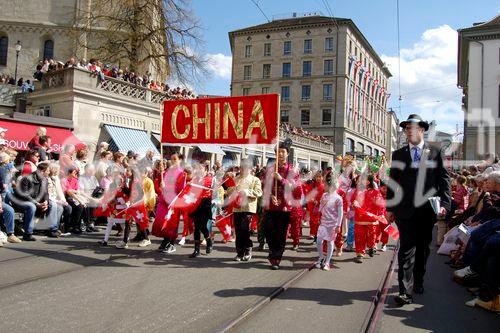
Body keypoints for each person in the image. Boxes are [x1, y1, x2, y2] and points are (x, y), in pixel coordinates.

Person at [387, 114, 451, 305]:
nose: (409, 131)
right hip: (404, 210)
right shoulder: (398, 154)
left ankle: (419, 280)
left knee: (423, 248)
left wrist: (445, 205)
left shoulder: (436, 151)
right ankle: (404, 292)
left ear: (422, 130)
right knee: (406, 249)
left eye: (413, 128)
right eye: (406, 128)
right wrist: (390, 207)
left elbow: (444, 179)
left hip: (427, 210)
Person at [261, 140, 299, 270]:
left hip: (285, 206)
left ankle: (276, 258)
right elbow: (264, 186)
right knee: (267, 230)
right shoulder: (270, 169)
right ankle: (272, 251)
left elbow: (294, 187)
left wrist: (281, 179)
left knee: (281, 233)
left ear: (287, 153)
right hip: (271, 205)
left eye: (283, 152)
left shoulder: (292, 169)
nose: (281, 154)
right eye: (278, 152)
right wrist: (270, 196)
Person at [11, 162, 59, 240]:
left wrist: (46, 202)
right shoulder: (27, 178)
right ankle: (28, 233)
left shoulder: (44, 179)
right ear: (42, 171)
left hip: (37, 201)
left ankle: (52, 230)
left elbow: (46, 193)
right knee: (32, 206)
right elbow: (25, 195)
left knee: (53, 205)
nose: (49, 172)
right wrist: (37, 203)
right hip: (22, 201)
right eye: (48, 171)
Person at [227, 158, 262, 262]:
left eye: (245, 168)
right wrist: (234, 189)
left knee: (245, 229)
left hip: (248, 208)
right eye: (241, 167)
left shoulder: (255, 179)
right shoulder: (236, 179)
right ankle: (239, 252)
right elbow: (228, 191)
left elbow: (259, 192)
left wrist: (246, 191)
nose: (243, 170)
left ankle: (247, 249)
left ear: (250, 169)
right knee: (238, 231)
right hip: (237, 208)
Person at [315, 173, 343, 271]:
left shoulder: (338, 198)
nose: (324, 186)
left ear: (331, 186)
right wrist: (318, 216)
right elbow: (320, 208)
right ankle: (321, 257)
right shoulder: (324, 195)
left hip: (332, 224)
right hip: (323, 222)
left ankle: (327, 262)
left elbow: (340, 213)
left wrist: (338, 225)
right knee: (319, 240)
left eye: (325, 185)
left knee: (330, 242)